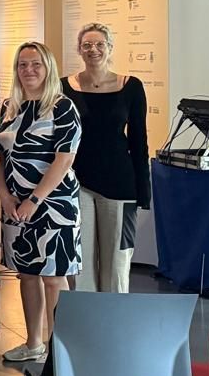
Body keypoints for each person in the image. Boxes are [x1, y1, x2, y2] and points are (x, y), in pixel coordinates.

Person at [0, 41, 82, 364]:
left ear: (48, 69)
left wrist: (34, 199)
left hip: (54, 204)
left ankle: (60, 350)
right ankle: (33, 343)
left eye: (36, 64)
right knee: (26, 274)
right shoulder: (8, 107)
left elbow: (64, 158)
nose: (28, 70)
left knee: (54, 277)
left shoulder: (62, 107)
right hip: (14, 204)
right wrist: (4, 196)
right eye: (22, 64)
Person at [62, 22, 147, 294]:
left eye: (100, 44)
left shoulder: (131, 87)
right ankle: (86, 318)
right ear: (79, 49)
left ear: (110, 48)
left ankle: (115, 317)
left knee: (117, 264)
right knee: (81, 263)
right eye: (87, 45)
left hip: (120, 184)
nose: (93, 50)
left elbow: (139, 141)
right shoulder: (64, 87)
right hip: (77, 183)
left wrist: (143, 192)